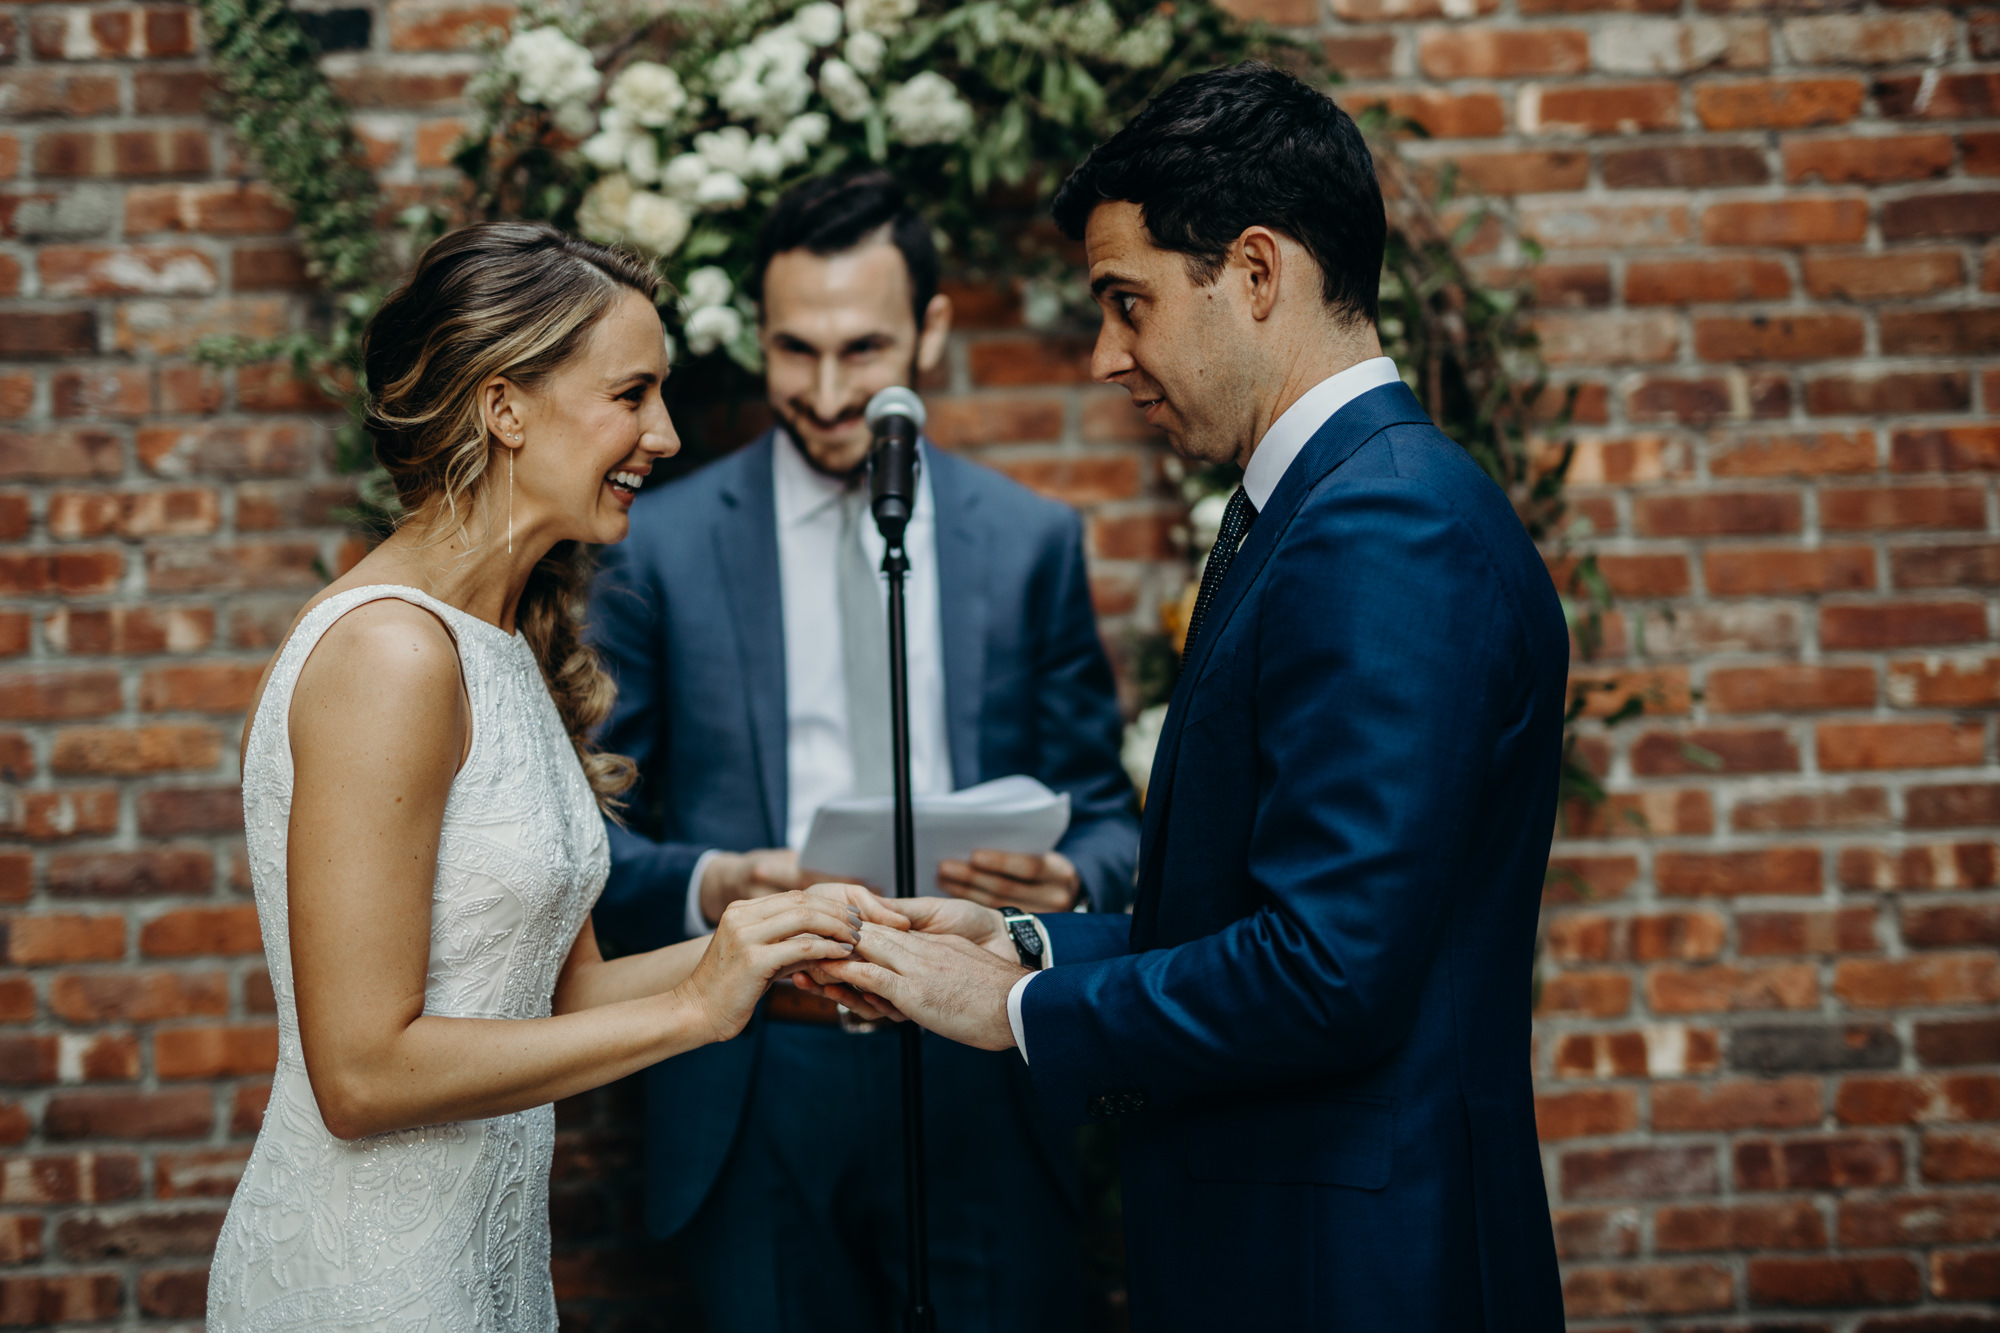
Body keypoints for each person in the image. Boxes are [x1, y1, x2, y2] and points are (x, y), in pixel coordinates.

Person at [802, 64, 1571, 1331]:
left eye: (1127, 303)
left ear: (1255, 274)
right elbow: (1257, 911)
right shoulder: (1328, 502)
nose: (1107, 356)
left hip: (1350, 1266)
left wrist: (1016, 1009)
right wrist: (1022, 940)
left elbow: (1325, 970)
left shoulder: (1381, 526)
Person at [206, 222, 895, 1331]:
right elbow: (361, 1075)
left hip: (481, 1265)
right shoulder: (390, 653)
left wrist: (767, 945)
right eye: (633, 393)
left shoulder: (501, 642)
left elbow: (558, 994)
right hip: (365, 1278)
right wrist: (695, 1009)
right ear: (504, 407)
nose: (664, 434)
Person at [587, 169, 1139, 1331]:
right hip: (756, 1069)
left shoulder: (1031, 540)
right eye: (796, 351)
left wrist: (1071, 879)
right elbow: (585, 840)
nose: (829, 393)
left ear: (931, 331)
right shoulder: (658, 547)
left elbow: (1106, 817)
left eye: (862, 349)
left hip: (985, 1067)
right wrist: (717, 883)